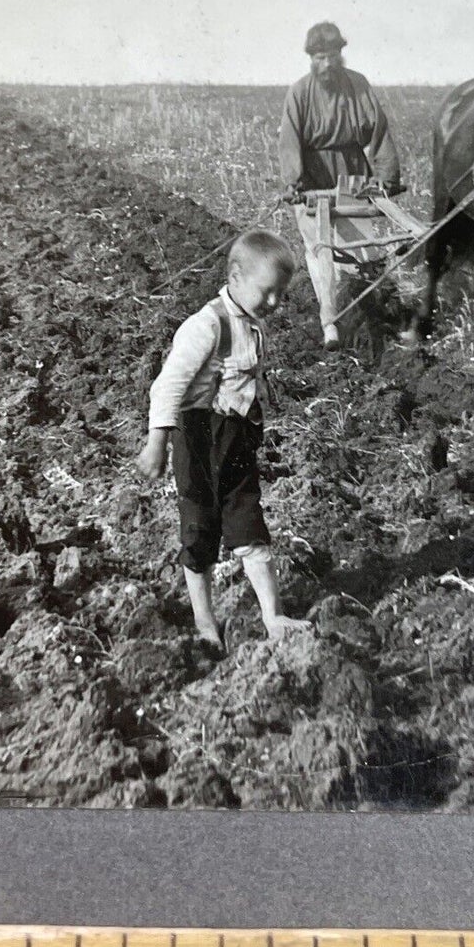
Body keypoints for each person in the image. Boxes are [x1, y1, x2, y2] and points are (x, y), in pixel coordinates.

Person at [136, 229, 308, 648]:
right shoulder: (207, 325)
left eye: (280, 295)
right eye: (267, 293)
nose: (274, 304)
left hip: (236, 442)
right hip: (198, 440)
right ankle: (204, 622)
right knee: (199, 530)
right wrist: (156, 441)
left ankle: (274, 616)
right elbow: (168, 387)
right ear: (235, 276)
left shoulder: (251, 324)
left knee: (250, 524)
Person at [279, 22, 403, 347]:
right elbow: (290, 141)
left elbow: (378, 132)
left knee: (360, 248)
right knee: (319, 247)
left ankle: (373, 318)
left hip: (352, 173)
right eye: (321, 57)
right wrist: (294, 183)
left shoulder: (358, 86)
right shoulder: (300, 93)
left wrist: (387, 177)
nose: (328, 64)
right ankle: (329, 319)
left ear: (341, 55)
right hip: (312, 176)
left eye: (333, 56)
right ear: (311, 58)